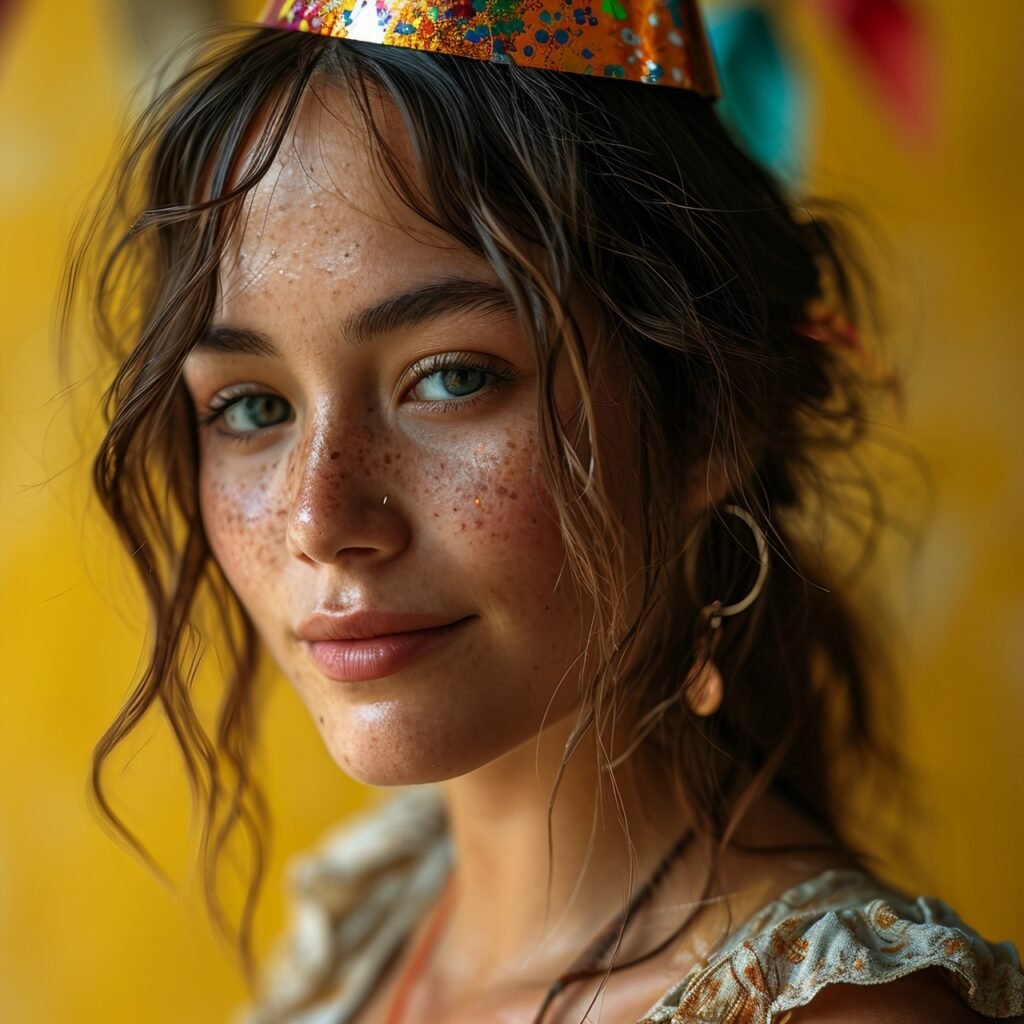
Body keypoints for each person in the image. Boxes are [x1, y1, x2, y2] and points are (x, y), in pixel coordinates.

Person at [62, 1, 1024, 1022]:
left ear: (707, 415)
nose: (319, 516)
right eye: (253, 406)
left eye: (450, 377)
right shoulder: (371, 923)